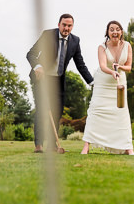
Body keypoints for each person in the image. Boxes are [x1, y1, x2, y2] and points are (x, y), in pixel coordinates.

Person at [26, 14, 94, 153]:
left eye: (69, 26)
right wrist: (38, 66)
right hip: (42, 78)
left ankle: (52, 145)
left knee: (57, 113)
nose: (66, 28)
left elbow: (80, 64)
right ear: (59, 25)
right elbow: (31, 54)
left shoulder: (75, 41)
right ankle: (38, 145)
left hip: (58, 80)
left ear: (72, 27)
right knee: (41, 111)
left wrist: (92, 82)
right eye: (64, 25)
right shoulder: (48, 35)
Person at [81, 21, 134, 155]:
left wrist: (120, 67)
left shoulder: (127, 46)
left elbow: (129, 67)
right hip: (103, 82)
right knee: (96, 111)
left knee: (121, 113)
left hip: (119, 82)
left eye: (117, 29)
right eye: (111, 30)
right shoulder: (102, 47)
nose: (115, 32)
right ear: (107, 32)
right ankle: (86, 146)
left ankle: (128, 147)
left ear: (121, 32)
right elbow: (103, 66)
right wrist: (112, 71)